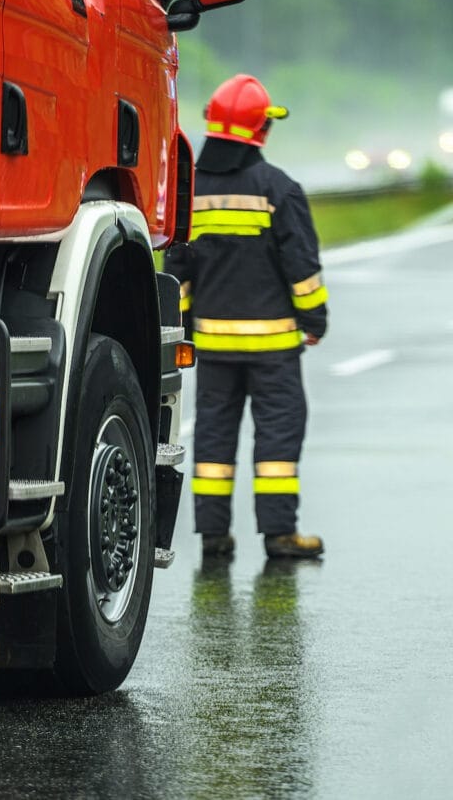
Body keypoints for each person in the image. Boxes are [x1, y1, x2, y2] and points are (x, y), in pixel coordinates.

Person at [164, 74, 327, 561]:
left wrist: (186, 328)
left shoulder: (189, 195)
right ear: (260, 131)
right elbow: (302, 268)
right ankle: (279, 536)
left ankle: (214, 537)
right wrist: (314, 320)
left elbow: (178, 272)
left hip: (214, 348)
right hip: (274, 350)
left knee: (213, 434)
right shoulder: (278, 189)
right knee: (277, 435)